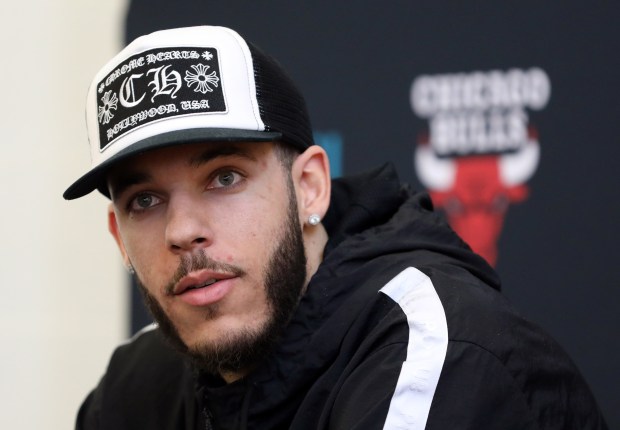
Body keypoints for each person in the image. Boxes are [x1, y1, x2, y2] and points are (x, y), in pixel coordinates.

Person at [65, 25, 608, 430]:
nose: (182, 230)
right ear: (118, 237)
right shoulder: (136, 384)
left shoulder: (437, 354)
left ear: (310, 188)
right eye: (146, 200)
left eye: (224, 177)